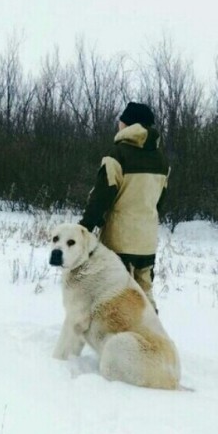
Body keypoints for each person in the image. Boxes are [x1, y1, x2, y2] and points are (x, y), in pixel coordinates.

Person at [79, 102, 170, 311]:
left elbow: (101, 197)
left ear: (127, 124)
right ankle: (150, 334)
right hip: (147, 240)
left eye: (121, 120)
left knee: (116, 295)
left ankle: (118, 338)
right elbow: (159, 202)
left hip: (119, 240)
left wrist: (85, 227)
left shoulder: (118, 155)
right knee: (144, 294)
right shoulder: (162, 161)